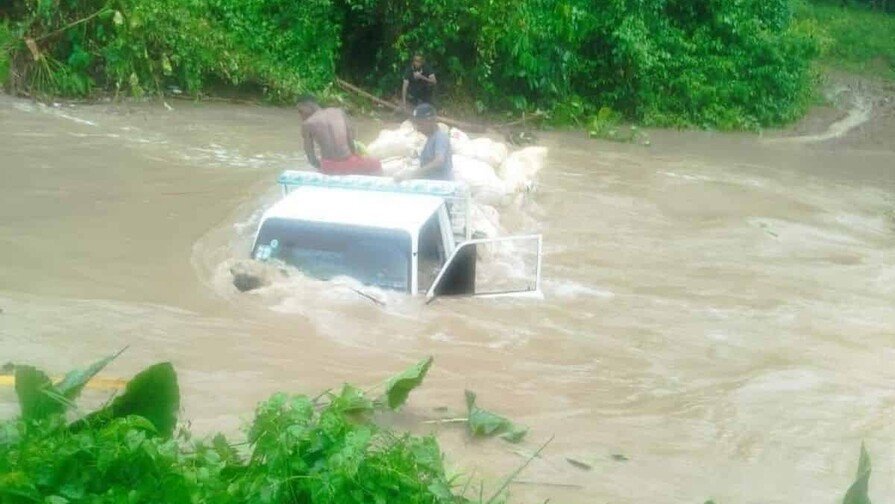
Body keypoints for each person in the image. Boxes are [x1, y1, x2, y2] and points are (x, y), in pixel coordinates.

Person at [297, 96, 382, 176]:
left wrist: (322, 167)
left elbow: (311, 158)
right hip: (350, 164)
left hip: (329, 167)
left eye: (300, 111)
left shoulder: (306, 124)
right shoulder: (339, 112)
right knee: (376, 163)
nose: (300, 115)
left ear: (308, 105)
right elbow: (351, 142)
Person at [396, 103, 453, 181]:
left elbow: (439, 161)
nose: (418, 129)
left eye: (420, 124)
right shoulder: (431, 139)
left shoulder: (440, 137)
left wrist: (415, 173)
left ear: (431, 121)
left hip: (440, 183)